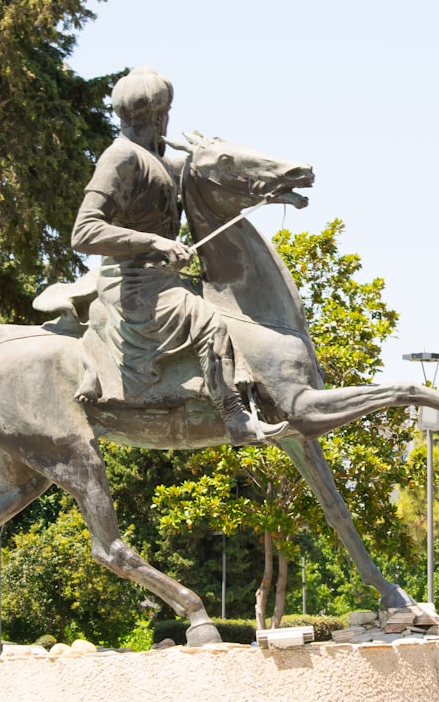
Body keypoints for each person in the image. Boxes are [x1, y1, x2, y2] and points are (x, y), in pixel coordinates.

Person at [71, 66, 283, 444]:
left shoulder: (161, 161)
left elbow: (221, 178)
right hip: (132, 285)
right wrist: (154, 243)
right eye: (166, 112)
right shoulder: (121, 159)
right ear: (157, 115)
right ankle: (234, 418)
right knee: (209, 322)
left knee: (232, 312)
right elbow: (84, 231)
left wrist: (273, 184)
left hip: (161, 280)